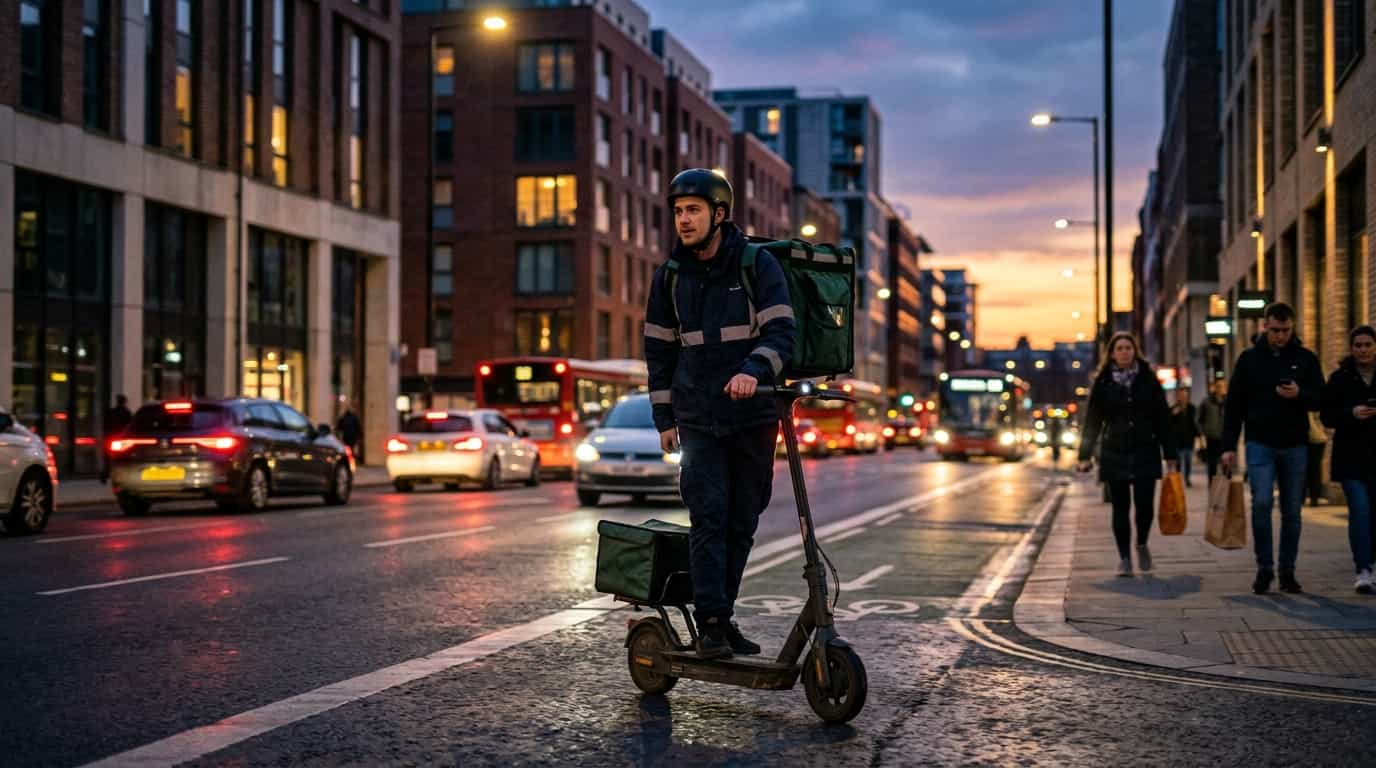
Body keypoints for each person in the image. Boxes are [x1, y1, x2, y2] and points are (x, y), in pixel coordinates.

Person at [644, 169, 796, 659]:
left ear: (719, 214)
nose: (683, 220)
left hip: (752, 417)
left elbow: (782, 336)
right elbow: (659, 354)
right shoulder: (669, 276)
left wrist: (754, 369)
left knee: (742, 521)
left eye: (693, 210)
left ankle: (722, 616)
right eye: (678, 211)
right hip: (698, 416)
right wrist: (664, 421)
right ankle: (709, 623)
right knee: (709, 517)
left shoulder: (757, 265)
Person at [1221, 302, 1324, 595]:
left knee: (1292, 509)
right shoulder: (1249, 359)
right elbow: (1234, 406)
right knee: (1262, 503)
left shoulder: (1305, 359)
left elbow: (1320, 399)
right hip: (1259, 443)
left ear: (1293, 327)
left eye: (1285, 330)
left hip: (1295, 444)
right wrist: (1228, 446)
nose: (1280, 336)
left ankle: (1287, 570)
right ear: (1265, 326)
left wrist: (1299, 394)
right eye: (1275, 330)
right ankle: (1264, 568)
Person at [1077, 332, 1178, 577]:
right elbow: (1092, 421)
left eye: (1128, 348)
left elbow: (1162, 418)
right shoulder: (1103, 382)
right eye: (1119, 348)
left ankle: (1141, 543)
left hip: (1145, 450)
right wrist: (1085, 455)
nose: (1124, 352)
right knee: (1120, 508)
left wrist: (1170, 455)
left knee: (1145, 508)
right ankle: (1124, 558)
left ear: (1135, 352)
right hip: (1115, 451)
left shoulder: (1148, 380)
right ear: (1112, 353)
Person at [1319, 326, 1376, 594]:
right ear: (1351, 348)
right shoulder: (1340, 378)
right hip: (1351, 457)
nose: (1363, 350)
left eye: (1367, 345)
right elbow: (1327, 416)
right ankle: (1363, 569)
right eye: (1358, 345)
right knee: (1360, 511)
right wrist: (1351, 413)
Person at [1169, 387, 1199, 487]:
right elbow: (1168, 423)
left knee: (1188, 461)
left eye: (1185, 395)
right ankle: (1179, 479)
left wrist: (1199, 436)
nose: (1183, 397)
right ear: (1178, 396)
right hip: (1177, 440)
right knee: (1179, 461)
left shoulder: (1192, 408)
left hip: (1189, 440)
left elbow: (1195, 424)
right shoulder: (1174, 408)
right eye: (1181, 395)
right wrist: (1173, 415)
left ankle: (1187, 479)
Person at [1197, 380, 1227, 479]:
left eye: (1223, 386)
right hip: (1211, 437)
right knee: (1212, 465)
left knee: (1226, 464)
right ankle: (1212, 487)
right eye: (1218, 386)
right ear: (1215, 388)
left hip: (1225, 437)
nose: (1220, 389)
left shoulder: (1228, 402)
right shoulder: (1207, 402)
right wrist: (1202, 433)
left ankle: (1226, 489)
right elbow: (1198, 419)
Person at [101, 394, 133, 483]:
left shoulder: (111, 412)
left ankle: (105, 474)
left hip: (110, 436)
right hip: (120, 438)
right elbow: (129, 426)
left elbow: (106, 424)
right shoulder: (127, 413)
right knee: (120, 457)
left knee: (108, 457)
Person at [1304, 411, 1329, 506]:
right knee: (1314, 468)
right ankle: (1313, 497)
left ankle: (1313, 497)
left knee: (1313, 468)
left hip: (1316, 438)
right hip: (1317, 437)